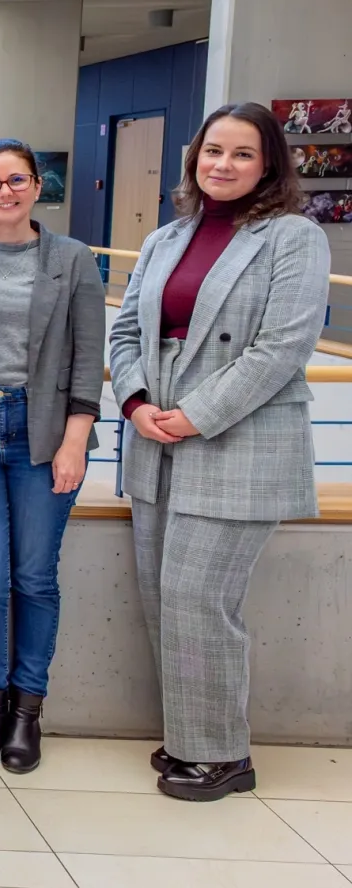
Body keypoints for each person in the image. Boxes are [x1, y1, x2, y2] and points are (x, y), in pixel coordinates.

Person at [109, 101, 328, 801]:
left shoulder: (293, 237)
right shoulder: (167, 238)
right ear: (193, 160)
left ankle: (223, 756)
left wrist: (194, 416)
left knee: (199, 598)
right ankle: (188, 739)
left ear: (268, 164)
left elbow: (282, 347)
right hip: (157, 439)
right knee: (161, 599)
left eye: (240, 154)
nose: (222, 165)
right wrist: (140, 405)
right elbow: (123, 335)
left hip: (237, 440)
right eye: (212, 152)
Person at [0, 138, 106, 774]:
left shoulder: (72, 259)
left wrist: (73, 440)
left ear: (37, 187)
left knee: (35, 578)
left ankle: (28, 710)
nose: (4, 192)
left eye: (17, 181)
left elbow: (89, 355)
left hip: (42, 434)